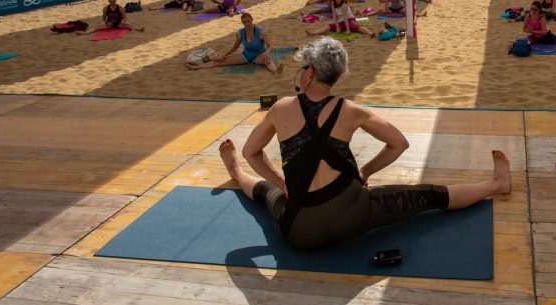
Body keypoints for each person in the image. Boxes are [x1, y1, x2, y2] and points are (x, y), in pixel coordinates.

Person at [218, 38, 511, 251]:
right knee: (427, 196)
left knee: (264, 190)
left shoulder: (281, 108)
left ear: (309, 73)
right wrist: (366, 172)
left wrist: (280, 182)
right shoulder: (352, 111)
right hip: (354, 214)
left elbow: (251, 152)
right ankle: (495, 185)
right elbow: (399, 143)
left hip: (299, 231)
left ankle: (236, 173)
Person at [186, 12, 285, 72]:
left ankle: (276, 71)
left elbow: (270, 46)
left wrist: (266, 53)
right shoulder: (240, 33)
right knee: (220, 62)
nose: (247, 24)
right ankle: (197, 67)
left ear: (252, 20)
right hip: (246, 56)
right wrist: (224, 55)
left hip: (259, 55)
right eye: (244, 22)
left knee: (266, 61)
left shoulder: (261, 32)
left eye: (248, 21)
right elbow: (234, 47)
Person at [305, 0, 375, 37]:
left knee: (355, 27)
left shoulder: (343, 4)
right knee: (329, 26)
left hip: (349, 19)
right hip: (340, 21)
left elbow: (345, 17)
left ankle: (370, 33)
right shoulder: (333, 4)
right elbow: (335, 17)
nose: (338, 0)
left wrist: (348, 30)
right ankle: (313, 33)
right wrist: (337, 27)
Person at [80, 0, 144, 34]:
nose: (110, 1)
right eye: (109, 0)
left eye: (110, 0)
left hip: (119, 24)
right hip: (109, 24)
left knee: (129, 23)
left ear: (114, 1)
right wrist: (105, 22)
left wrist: (122, 21)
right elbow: (103, 18)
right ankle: (86, 33)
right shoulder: (105, 8)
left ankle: (138, 29)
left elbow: (125, 17)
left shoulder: (120, 8)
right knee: (97, 26)